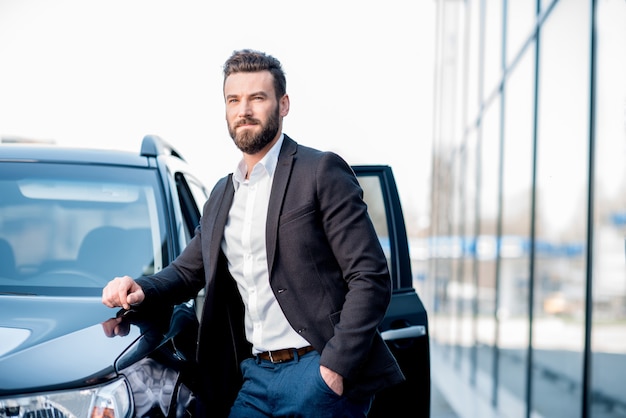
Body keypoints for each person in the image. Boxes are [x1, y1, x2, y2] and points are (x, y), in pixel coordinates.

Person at [102, 49, 405, 417]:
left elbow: (370, 276)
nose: (243, 110)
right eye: (234, 100)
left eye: (257, 98)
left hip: (318, 373)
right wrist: (141, 288)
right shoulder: (222, 194)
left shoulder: (319, 171)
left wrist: (335, 368)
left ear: (284, 104)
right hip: (255, 377)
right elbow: (186, 272)